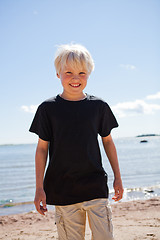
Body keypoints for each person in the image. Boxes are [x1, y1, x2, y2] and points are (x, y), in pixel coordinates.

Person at [29, 43, 123, 240]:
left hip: (95, 186)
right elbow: (41, 149)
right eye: (68, 72)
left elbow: (107, 142)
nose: (75, 78)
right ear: (58, 74)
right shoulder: (47, 109)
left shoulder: (99, 106)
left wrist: (118, 177)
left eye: (82, 72)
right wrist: (39, 188)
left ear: (88, 74)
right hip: (62, 190)